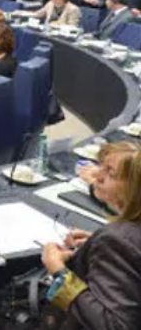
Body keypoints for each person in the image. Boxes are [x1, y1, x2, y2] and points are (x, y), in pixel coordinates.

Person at [41, 141, 141, 330]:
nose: (97, 175)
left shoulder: (117, 241)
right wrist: (95, 246)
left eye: (110, 173)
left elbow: (113, 325)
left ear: (134, 189)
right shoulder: (121, 238)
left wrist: (59, 272)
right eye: (101, 166)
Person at [14, 0, 82, 27]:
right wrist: (20, 13)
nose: (54, 0)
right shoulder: (50, 4)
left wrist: (57, 25)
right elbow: (37, 14)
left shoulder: (73, 9)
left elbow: (73, 26)